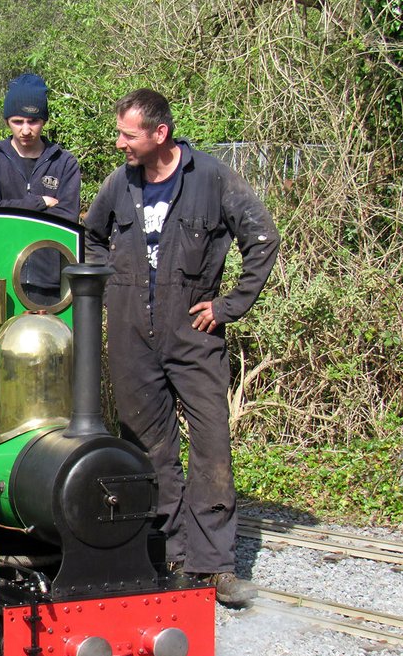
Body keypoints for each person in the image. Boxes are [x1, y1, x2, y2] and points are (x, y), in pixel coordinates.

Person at [83, 88, 279, 607]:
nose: (119, 142)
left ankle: (214, 567)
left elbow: (262, 239)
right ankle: (168, 555)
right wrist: (109, 289)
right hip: (130, 335)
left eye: (128, 134)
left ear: (159, 134)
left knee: (212, 445)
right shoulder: (119, 183)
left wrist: (228, 306)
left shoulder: (211, 179)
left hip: (195, 333)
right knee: (148, 448)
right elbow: (92, 237)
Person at [0, 73, 81, 304]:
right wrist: (41, 202)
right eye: (18, 121)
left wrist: (10, 210)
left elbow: (67, 218)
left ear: (43, 121)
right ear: (7, 122)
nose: (25, 130)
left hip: (51, 282)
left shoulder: (64, 163)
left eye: (33, 121)